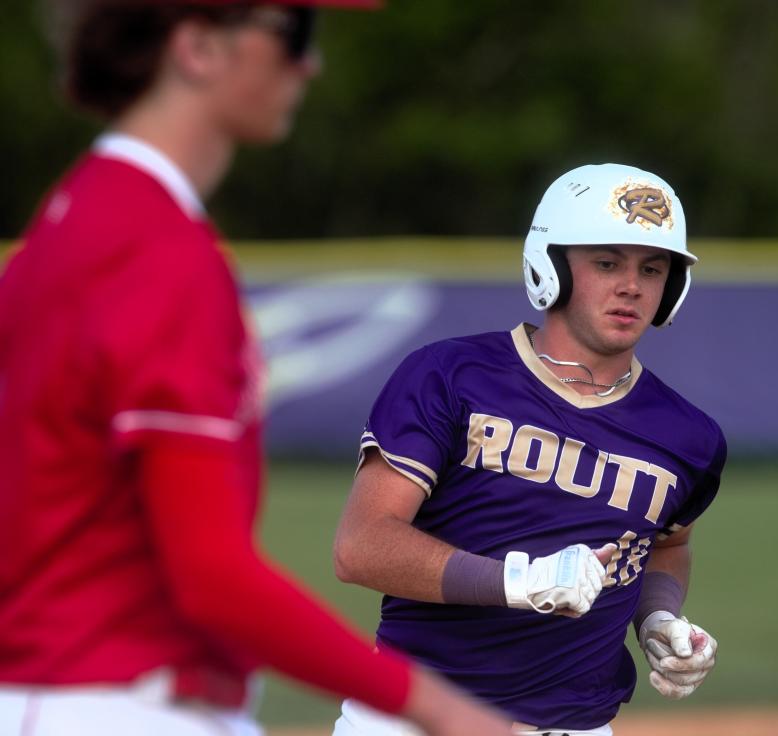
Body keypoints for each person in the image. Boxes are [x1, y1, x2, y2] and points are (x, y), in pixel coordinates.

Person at [0, 2, 514, 735]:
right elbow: (211, 577)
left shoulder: (61, 230)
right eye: (293, 34)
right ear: (199, 47)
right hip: (121, 701)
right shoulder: (160, 255)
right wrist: (444, 711)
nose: (310, 64)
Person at [332, 163, 726, 734]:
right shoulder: (450, 375)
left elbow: (668, 544)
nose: (632, 286)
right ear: (552, 266)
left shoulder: (689, 435)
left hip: (577, 726)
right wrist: (522, 583)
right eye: (607, 262)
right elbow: (361, 546)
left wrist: (657, 617)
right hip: (415, 719)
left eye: (653, 268)